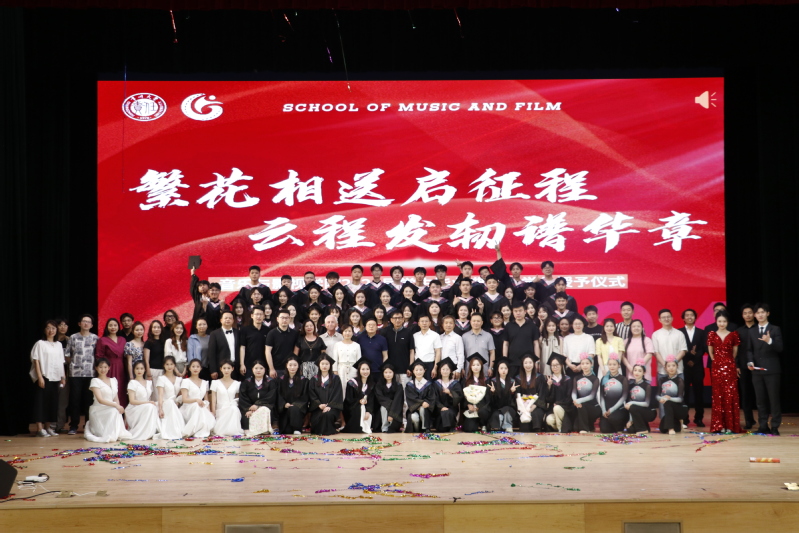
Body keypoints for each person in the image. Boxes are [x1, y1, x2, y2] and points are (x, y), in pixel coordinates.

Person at [746, 303, 783, 435]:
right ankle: (763, 425)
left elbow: (780, 348)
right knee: (760, 400)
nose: (760, 315)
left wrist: (769, 341)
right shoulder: (752, 331)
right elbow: (749, 350)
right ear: (755, 315)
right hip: (757, 370)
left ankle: (775, 426)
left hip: (772, 370)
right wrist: (750, 361)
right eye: (758, 313)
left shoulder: (775, 329)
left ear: (768, 313)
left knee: (774, 400)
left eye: (763, 312)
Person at [706, 311, 742, 433]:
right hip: (716, 367)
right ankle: (719, 425)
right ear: (716, 321)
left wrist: (728, 362)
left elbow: (735, 352)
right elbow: (710, 352)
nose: (722, 323)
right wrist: (717, 361)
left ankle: (730, 425)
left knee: (730, 394)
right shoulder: (711, 334)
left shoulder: (733, 334)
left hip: (730, 367)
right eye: (719, 321)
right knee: (718, 394)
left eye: (724, 321)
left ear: (728, 322)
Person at [30, 320, 66, 437]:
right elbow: (36, 360)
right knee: (40, 402)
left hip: (56, 377)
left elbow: (61, 361)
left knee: (52, 403)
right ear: (45, 330)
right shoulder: (40, 343)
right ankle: (40, 429)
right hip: (44, 376)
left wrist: (63, 377)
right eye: (48, 328)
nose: (51, 330)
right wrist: (40, 377)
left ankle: (48, 427)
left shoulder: (59, 345)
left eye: (53, 328)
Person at [84, 358, 132, 442]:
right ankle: (109, 433)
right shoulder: (95, 381)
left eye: (105, 367)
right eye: (100, 367)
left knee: (116, 411)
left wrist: (118, 407)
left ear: (109, 368)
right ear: (96, 368)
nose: (103, 369)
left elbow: (116, 398)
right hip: (99, 408)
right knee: (114, 410)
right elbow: (100, 400)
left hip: (111, 407)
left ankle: (116, 433)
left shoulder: (113, 380)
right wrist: (116, 405)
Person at [66, 314, 98, 435]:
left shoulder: (95, 338)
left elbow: (97, 355)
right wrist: (74, 365)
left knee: (88, 400)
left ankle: (88, 425)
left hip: (90, 373)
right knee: (74, 400)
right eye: (84, 321)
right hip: (75, 374)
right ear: (79, 323)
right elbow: (67, 355)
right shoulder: (73, 337)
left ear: (92, 325)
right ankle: (73, 425)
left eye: (88, 322)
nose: (86, 323)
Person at [679, 308, 708, 427]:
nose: (689, 317)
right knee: (684, 394)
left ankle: (699, 418)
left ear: (695, 317)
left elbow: (704, 348)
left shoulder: (701, 332)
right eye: (687, 315)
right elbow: (679, 348)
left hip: (697, 367)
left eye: (692, 315)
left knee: (698, 394)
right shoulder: (679, 332)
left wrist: (694, 359)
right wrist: (688, 359)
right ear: (683, 318)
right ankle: (684, 418)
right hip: (684, 367)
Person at [239, 359, 278, 435]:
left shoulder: (270, 382)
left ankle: (263, 430)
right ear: (252, 369)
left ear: (265, 369)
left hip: (265, 406)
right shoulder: (246, 382)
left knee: (264, 410)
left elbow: (271, 397)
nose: (258, 370)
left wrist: (257, 405)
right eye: (256, 368)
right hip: (249, 409)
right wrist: (248, 409)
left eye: (261, 368)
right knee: (247, 416)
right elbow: (243, 398)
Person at [504, 303, 542, 378]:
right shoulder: (508, 326)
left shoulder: (532, 326)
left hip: (528, 363)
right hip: (513, 362)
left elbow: (536, 344)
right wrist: (505, 360)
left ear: (525, 311)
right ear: (512, 312)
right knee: (513, 383)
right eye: (516, 311)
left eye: (520, 311)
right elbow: (506, 344)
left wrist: (537, 360)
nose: (518, 313)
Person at [735, 304, 758, 430]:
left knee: (760, 394)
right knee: (745, 394)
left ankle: (763, 420)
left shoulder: (760, 328)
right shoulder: (739, 331)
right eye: (745, 313)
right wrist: (737, 365)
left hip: (759, 366)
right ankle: (749, 420)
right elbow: (736, 350)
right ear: (742, 315)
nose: (748, 315)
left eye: (750, 312)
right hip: (743, 366)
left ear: (754, 314)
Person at [309, 354, 343, 435]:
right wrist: (319, 404)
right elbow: (311, 394)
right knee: (318, 416)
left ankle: (327, 431)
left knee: (327, 414)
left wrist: (329, 406)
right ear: (319, 365)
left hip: (332, 408)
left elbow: (337, 394)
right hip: (318, 408)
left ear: (330, 365)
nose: (324, 366)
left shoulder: (335, 378)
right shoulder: (314, 379)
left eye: (327, 364)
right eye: (322, 364)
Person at [566, 353, 601, 434]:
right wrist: (575, 401)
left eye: (587, 363)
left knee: (582, 405)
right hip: (580, 406)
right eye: (583, 363)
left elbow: (592, 396)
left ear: (591, 364)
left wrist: (579, 401)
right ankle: (589, 426)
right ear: (580, 365)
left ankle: (584, 429)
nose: (585, 365)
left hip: (593, 407)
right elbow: (574, 392)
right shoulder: (576, 378)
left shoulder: (595, 379)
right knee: (575, 428)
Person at [96, 318, 127, 406]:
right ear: (107, 327)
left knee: (121, 388)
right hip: (108, 368)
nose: (113, 327)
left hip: (121, 368)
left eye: (115, 325)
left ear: (118, 327)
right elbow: (99, 356)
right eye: (110, 325)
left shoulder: (123, 339)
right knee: (109, 389)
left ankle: (121, 410)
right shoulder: (102, 340)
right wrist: (103, 369)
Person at [125, 360, 159, 440]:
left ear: (145, 370)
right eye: (137, 368)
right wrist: (147, 402)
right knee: (150, 406)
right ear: (134, 370)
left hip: (146, 406)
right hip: (134, 408)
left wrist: (149, 403)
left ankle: (153, 431)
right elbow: (132, 401)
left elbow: (149, 398)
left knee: (159, 405)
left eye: (141, 368)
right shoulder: (132, 383)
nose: (139, 371)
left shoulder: (149, 383)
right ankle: (143, 433)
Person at [180, 359, 215, 438]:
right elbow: (184, 399)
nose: (195, 368)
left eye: (197, 367)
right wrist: (196, 400)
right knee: (197, 406)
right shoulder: (186, 381)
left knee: (202, 410)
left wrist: (209, 411)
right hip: (188, 407)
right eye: (193, 366)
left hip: (201, 406)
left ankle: (199, 430)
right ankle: (190, 431)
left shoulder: (205, 382)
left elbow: (206, 399)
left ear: (201, 368)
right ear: (189, 368)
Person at [381, 311, 415, 387]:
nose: (397, 320)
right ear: (391, 320)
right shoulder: (386, 332)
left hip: (405, 369)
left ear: (403, 319)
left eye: (399, 318)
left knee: (405, 391)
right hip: (390, 370)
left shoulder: (408, 332)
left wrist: (410, 367)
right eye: (395, 318)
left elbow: (412, 351)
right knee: (392, 391)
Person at [209, 360, 243, 436]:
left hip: (232, 408)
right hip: (220, 409)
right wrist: (213, 412)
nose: (226, 370)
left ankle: (233, 430)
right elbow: (213, 400)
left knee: (234, 409)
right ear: (221, 369)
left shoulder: (237, 383)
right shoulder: (215, 383)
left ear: (232, 369)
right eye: (224, 368)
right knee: (218, 431)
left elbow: (237, 399)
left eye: (228, 368)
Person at [276, 356, 307, 435]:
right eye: (290, 365)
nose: (292, 367)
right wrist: (284, 404)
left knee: (294, 409)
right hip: (285, 409)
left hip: (298, 409)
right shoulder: (281, 379)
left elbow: (305, 395)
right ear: (286, 366)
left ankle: (297, 428)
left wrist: (295, 404)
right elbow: (278, 394)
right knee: (287, 431)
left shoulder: (303, 380)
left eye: (295, 365)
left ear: (298, 366)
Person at [652, 309, 688, 380]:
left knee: (679, 387)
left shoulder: (679, 334)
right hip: (662, 371)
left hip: (678, 371)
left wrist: (674, 364)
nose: (666, 319)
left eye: (668, 317)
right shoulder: (655, 334)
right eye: (663, 317)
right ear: (659, 320)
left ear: (672, 318)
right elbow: (656, 352)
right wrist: (665, 365)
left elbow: (683, 351)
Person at [515, 354, 547, 432]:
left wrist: (535, 405)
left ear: (533, 364)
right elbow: (518, 395)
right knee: (525, 425)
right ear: (522, 364)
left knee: (536, 414)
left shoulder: (539, 377)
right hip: (523, 406)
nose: (528, 365)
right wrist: (523, 406)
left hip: (537, 405)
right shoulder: (518, 378)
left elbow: (542, 394)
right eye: (525, 363)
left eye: (530, 362)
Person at [265, 309, 301, 378]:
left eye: (287, 318)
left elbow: (296, 351)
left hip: (290, 368)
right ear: (277, 319)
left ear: (290, 319)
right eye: (282, 318)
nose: (284, 320)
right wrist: (271, 368)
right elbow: (268, 351)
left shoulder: (294, 333)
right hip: (276, 368)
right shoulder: (272, 333)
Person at [598, 353, 629, 434]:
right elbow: (601, 396)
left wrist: (612, 409)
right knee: (604, 430)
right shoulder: (604, 379)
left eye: (614, 364)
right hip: (607, 408)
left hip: (618, 408)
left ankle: (620, 425)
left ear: (619, 365)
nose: (612, 366)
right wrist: (604, 410)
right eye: (610, 364)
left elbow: (624, 396)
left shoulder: (623, 379)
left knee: (613, 418)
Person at [155, 356, 184, 440]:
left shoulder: (179, 379)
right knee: (170, 403)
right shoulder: (161, 379)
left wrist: (177, 402)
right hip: (165, 403)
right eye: (167, 364)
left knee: (173, 404)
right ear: (164, 366)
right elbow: (160, 395)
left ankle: (177, 430)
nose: (169, 366)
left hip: (175, 404)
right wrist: (160, 409)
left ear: (174, 365)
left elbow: (180, 394)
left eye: (171, 364)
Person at [343, 358, 375, 434]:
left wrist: (368, 411)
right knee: (359, 408)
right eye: (363, 369)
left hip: (367, 408)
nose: (365, 371)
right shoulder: (352, 383)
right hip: (353, 409)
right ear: (359, 370)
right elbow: (348, 399)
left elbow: (372, 400)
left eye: (367, 369)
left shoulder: (372, 384)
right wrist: (359, 401)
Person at [208, 310, 242, 382]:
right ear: (221, 320)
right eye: (226, 318)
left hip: (236, 368)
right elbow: (211, 353)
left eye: (230, 318)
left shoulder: (238, 333)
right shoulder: (214, 334)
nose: (228, 320)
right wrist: (213, 370)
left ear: (233, 320)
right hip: (221, 368)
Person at [460, 354, 491, 432]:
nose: (476, 367)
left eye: (478, 365)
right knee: (469, 429)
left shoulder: (486, 380)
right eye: (473, 365)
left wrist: (479, 406)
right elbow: (463, 396)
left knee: (483, 412)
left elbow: (488, 397)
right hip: (470, 408)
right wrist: (468, 405)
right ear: (470, 367)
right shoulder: (466, 380)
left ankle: (483, 424)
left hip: (482, 409)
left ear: (481, 366)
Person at [657, 356, 688, 435]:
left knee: (668, 402)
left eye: (673, 365)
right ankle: (677, 425)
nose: (671, 368)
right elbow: (657, 395)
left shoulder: (679, 380)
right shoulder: (662, 380)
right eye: (669, 366)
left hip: (680, 409)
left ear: (677, 366)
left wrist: (669, 398)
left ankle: (671, 428)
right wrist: (662, 398)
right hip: (669, 409)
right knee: (662, 429)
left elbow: (680, 399)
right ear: (665, 368)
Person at [405, 359, 436, 433]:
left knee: (423, 409)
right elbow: (411, 398)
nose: (418, 372)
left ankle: (425, 428)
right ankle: (416, 429)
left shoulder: (428, 384)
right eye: (416, 370)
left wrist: (425, 404)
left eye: (421, 370)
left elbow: (431, 398)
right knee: (414, 417)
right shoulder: (409, 385)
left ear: (424, 370)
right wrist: (421, 403)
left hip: (426, 410)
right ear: (413, 371)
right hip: (414, 409)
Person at [625, 360, 656, 433]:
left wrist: (632, 402)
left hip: (649, 412)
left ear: (644, 373)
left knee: (633, 406)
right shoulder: (631, 385)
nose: (637, 372)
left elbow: (646, 404)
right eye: (635, 370)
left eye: (639, 371)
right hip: (637, 411)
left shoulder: (647, 385)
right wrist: (630, 420)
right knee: (630, 430)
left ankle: (643, 429)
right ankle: (645, 427)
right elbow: (630, 406)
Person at [545, 353, 573, 432]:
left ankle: (560, 429)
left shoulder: (568, 379)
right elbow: (548, 399)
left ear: (561, 365)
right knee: (549, 420)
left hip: (565, 409)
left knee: (557, 408)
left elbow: (569, 398)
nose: (555, 367)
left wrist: (558, 403)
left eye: (557, 365)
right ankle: (560, 428)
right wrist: (549, 387)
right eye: (553, 365)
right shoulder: (549, 380)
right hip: (553, 409)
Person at [488, 358, 518, 432]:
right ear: (498, 370)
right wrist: (492, 392)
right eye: (501, 368)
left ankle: (507, 426)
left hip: (509, 407)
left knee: (507, 411)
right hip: (497, 408)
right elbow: (491, 401)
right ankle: (501, 425)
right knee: (499, 415)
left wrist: (512, 392)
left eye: (505, 368)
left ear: (508, 369)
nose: (503, 370)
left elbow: (513, 401)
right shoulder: (493, 381)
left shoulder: (512, 382)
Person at [432, 357, 462, 432]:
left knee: (448, 412)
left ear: (451, 371)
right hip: (439, 410)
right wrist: (441, 407)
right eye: (443, 369)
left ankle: (451, 426)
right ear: (440, 370)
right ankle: (449, 426)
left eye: (447, 369)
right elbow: (433, 398)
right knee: (441, 428)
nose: (445, 371)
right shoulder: (436, 384)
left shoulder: (455, 383)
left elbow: (459, 397)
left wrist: (450, 393)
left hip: (451, 409)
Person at [461, 314, 495, 379]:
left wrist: (491, 367)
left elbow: (492, 353)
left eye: (478, 321)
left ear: (482, 322)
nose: (476, 323)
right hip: (468, 371)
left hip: (484, 371)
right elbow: (462, 354)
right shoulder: (464, 336)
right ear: (470, 322)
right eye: (474, 321)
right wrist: (462, 368)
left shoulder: (488, 336)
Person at [374, 362, 404, 433]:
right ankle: (384, 428)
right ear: (383, 373)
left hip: (395, 411)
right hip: (382, 411)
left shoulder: (398, 386)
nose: (388, 374)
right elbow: (380, 398)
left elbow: (397, 401)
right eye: (386, 372)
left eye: (390, 372)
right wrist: (390, 405)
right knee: (383, 407)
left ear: (393, 373)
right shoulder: (379, 385)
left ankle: (391, 426)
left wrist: (391, 414)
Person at [331, 325, 361, 397]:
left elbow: (359, 360)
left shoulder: (357, 345)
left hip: (353, 370)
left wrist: (358, 371)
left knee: (352, 388)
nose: (347, 333)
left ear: (352, 333)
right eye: (345, 331)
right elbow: (335, 359)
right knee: (341, 388)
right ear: (342, 333)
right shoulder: (337, 345)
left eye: (349, 331)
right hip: (341, 369)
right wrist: (335, 371)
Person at [412, 315, 442, 380]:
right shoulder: (415, 336)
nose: (424, 323)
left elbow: (438, 352)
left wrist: (435, 368)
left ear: (430, 323)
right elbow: (412, 352)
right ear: (418, 323)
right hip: (417, 365)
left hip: (430, 364)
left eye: (426, 321)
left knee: (429, 384)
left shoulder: (435, 335)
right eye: (422, 321)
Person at [144, 320, 166, 399]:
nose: (156, 329)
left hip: (163, 371)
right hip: (152, 371)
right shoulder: (148, 342)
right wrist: (148, 373)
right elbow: (146, 359)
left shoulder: (164, 342)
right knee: (154, 395)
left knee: (162, 395)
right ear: (151, 329)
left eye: (158, 327)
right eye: (154, 327)